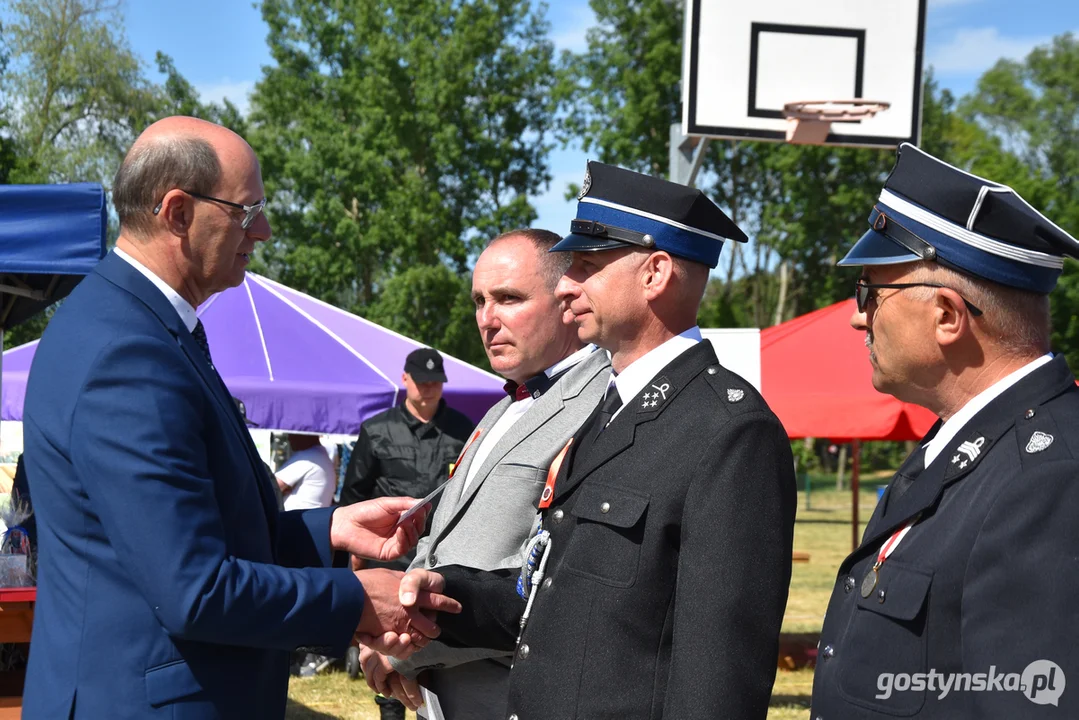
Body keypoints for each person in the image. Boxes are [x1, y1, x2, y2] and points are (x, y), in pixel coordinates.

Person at [20, 116, 457, 720]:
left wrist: (328, 530)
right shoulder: (129, 352)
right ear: (177, 213)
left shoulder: (136, 327)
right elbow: (195, 590)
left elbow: (194, 533)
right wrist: (355, 599)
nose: (266, 231)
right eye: (248, 213)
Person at [401, 162, 798, 719]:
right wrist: (443, 594)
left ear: (655, 273)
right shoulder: (608, 408)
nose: (566, 283)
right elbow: (552, 592)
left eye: (587, 265)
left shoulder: (730, 432)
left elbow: (719, 674)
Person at [810, 144, 1079, 718]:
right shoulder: (960, 446)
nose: (858, 314)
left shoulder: (1052, 479)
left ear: (948, 317)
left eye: (870, 292)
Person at [361, 229, 611, 720]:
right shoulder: (503, 408)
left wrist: (398, 649)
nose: (486, 319)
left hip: (511, 687)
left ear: (568, 300)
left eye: (508, 298)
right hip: (442, 682)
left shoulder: (602, 401)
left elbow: (549, 578)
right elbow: (443, 547)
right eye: (479, 300)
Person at [276, 433, 336, 510]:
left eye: (292, 433)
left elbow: (271, 487)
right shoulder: (321, 454)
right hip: (310, 515)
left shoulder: (307, 456)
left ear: (304, 434)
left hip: (295, 518)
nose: (289, 438)